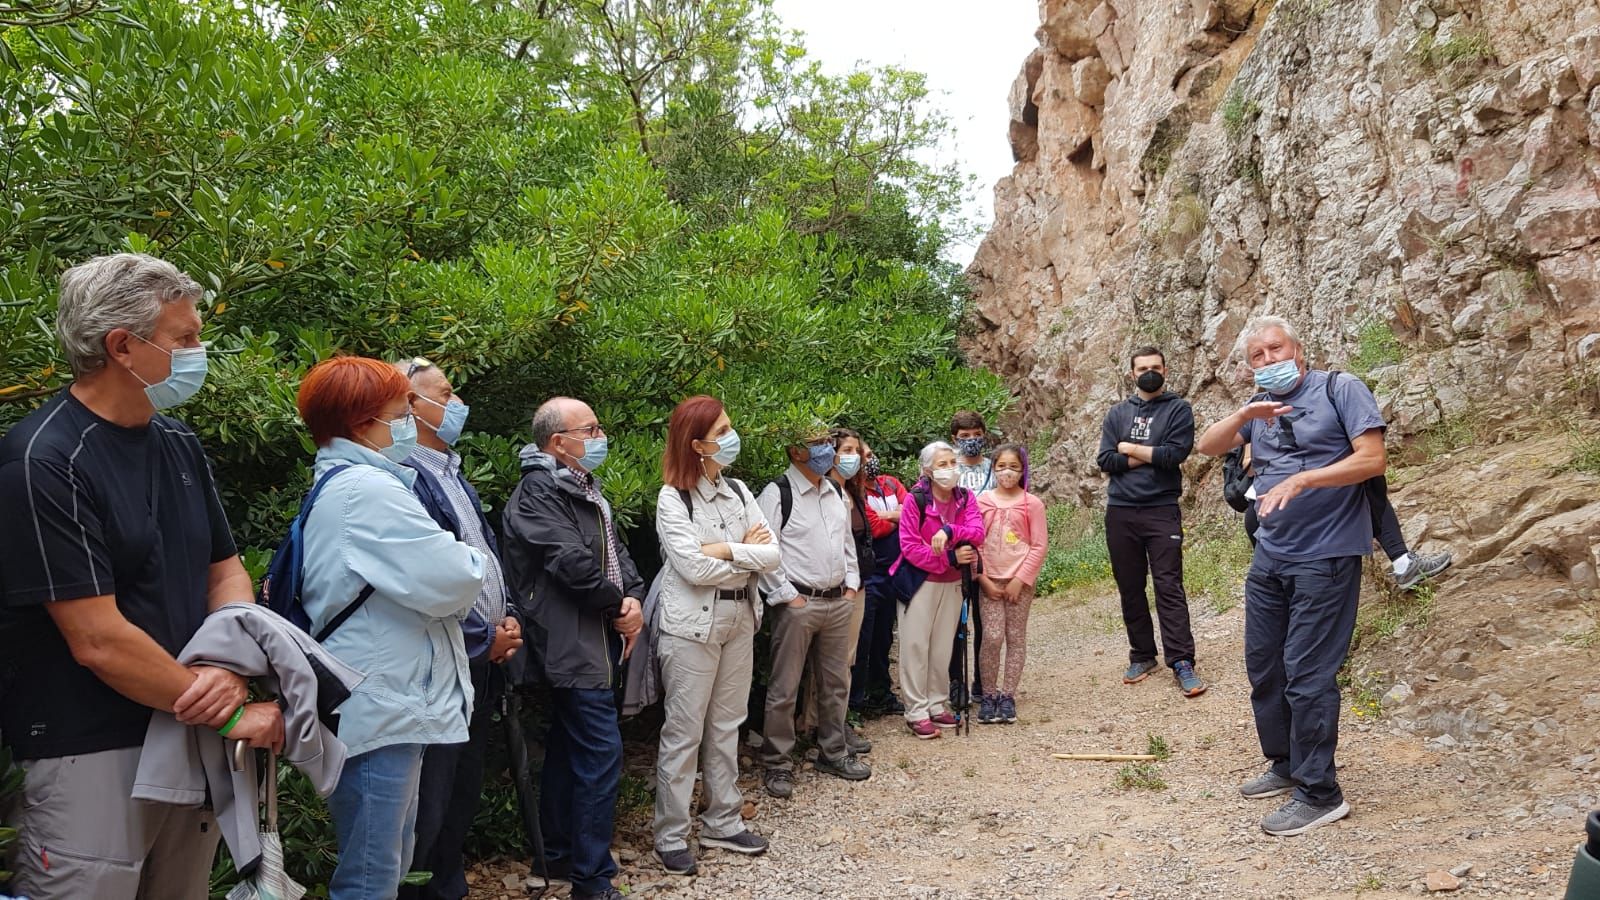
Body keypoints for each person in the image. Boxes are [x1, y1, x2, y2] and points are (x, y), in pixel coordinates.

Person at [0, 253, 283, 900]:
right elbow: (95, 637)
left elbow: (227, 572)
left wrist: (226, 663)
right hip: (90, 751)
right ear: (123, 347)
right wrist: (228, 712)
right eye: (183, 338)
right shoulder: (43, 460)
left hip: (189, 732)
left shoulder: (177, 442)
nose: (199, 351)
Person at [295, 356, 486, 899]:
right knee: (371, 876)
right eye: (402, 409)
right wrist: (463, 557)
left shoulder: (354, 482)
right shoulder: (365, 490)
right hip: (381, 707)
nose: (411, 420)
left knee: (388, 864)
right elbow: (458, 576)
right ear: (362, 423)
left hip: (385, 702)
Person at [1196, 316, 1387, 836]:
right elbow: (1208, 447)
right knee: (1265, 666)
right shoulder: (1257, 410)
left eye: (1274, 349)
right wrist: (1243, 414)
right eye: (1256, 356)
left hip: (1326, 555)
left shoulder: (1339, 389)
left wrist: (1305, 478)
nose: (1267, 361)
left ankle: (1321, 793)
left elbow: (1372, 458)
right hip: (1271, 555)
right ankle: (1285, 764)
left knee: (1307, 673)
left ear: (1298, 350)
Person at [501, 398, 645, 900]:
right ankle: (592, 880)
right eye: (591, 428)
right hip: (569, 642)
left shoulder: (583, 486)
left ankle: (558, 857)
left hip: (592, 636)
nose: (600, 435)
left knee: (568, 749)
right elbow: (572, 563)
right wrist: (617, 604)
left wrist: (635, 597)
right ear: (559, 443)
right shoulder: (538, 491)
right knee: (600, 755)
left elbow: (616, 554)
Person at [393, 358, 524, 900]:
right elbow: (422, 578)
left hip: (479, 659)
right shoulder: (404, 476)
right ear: (410, 405)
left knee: (461, 791)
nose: (457, 404)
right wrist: (482, 637)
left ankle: (450, 885)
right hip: (445, 661)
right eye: (446, 394)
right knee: (430, 797)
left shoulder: (451, 470)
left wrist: (508, 612)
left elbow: (485, 555)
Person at [651, 396, 780, 875]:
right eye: (722, 431)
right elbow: (691, 567)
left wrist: (725, 548)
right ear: (697, 444)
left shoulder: (741, 491)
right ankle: (670, 833)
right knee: (683, 732)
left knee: (727, 727)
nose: (731, 438)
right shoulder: (672, 498)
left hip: (741, 620)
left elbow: (773, 556)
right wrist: (744, 553)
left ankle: (722, 822)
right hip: (691, 628)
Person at [756, 424, 871, 799]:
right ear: (795, 451)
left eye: (827, 443)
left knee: (836, 683)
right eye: (818, 444)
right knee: (785, 688)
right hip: (799, 605)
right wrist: (789, 597)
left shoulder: (835, 490)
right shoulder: (778, 493)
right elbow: (762, 551)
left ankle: (833, 752)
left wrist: (851, 583)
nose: (828, 450)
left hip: (838, 601)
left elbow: (845, 543)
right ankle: (777, 763)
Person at [1095, 346, 1204, 698]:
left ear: (1165, 370)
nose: (1149, 372)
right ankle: (1142, 654)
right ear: (1132, 373)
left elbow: (1175, 455)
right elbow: (1105, 459)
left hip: (1161, 509)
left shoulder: (1178, 409)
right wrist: (1150, 453)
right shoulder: (1117, 413)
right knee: (1130, 586)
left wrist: (1130, 448)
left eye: (1155, 367)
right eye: (1142, 368)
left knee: (1168, 586)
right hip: (1121, 511)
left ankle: (1182, 660)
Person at [1241, 448, 1452, 590]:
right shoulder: (1269, 409)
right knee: (1367, 483)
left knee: (1290, 592)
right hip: (1275, 510)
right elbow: (1249, 465)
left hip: (1262, 512)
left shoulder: (1261, 409)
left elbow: (1249, 465)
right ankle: (1403, 562)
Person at [892, 441, 986, 740]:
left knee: (943, 647)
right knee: (916, 646)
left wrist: (950, 531)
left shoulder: (966, 498)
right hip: (921, 582)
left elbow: (978, 532)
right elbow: (909, 547)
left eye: (952, 462)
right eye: (942, 464)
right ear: (927, 470)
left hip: (954, 583)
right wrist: (948, 557)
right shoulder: (915, 500)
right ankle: (916, 710)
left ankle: (937, 703)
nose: (949, 469)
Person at [975, 444, 1048, 725]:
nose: (1007, 472)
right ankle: (988, 694)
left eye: (1014, 467)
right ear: (993, 468)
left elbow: (1039, 545)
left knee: (1015, 637)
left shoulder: (1032, 504)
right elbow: (974, 543)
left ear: (1023, 470)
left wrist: (1021, 579)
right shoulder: (981, 502)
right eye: (1002, 466)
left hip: (1021, 582)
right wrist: (982, 578)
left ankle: (1008, 695)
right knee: (992, 637)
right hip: (989, 580)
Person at [850, 442, 908, 717]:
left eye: (871, 455)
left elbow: (913, 516)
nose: (869, 460)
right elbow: (875, 527)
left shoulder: (891, 484)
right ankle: (856, 702)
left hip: (893, 572)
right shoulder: (855, 491)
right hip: (870, 574)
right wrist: (896, 518)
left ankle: (882, 693)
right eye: (864, 457)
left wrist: (896, 517)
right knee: (864, 638)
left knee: (885, 636)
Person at [827, 427, 875, 754]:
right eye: (846, 450)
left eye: (856, 451)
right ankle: (828, 727)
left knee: (847, 659)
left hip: (856, 587)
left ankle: (834, 722)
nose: (853, 458)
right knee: (834, 662)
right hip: (838, 589)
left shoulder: (852, 492)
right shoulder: (827, 492)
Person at [947, 410, 992, 707]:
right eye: (965, 437)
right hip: (958, 554)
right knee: (956, 624)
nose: (972, 441)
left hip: (990, 555)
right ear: (954, 439)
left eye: (976, 435)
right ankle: (956, 682)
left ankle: (982, 680)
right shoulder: (947, 468)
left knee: (985, 622)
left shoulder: (994, 467)